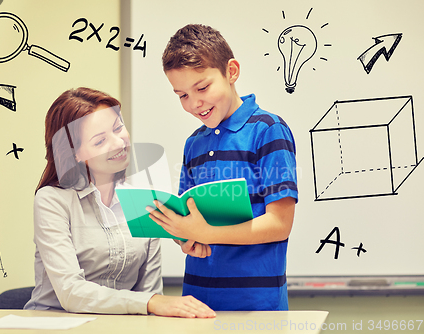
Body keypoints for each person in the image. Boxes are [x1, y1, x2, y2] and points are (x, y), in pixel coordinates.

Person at [24, 87, 215, 318]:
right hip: (54, 325)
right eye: (100, 140)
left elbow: (150, 293)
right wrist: (152, 302)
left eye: (118, 128)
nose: (118, 143)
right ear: (75, 153)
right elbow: (71, 292)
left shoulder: (144, 202)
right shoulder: (52, 200)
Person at [146, 24, 298, 311]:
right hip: (197, 300)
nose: (195, 103)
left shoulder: (268, 130)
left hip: (256, 306)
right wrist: (187, 238)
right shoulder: (194, 143)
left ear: (231, 72)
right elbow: (190, 218)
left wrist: (207, 233)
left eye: (202, 87)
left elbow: (280, 225)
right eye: (182, 95)